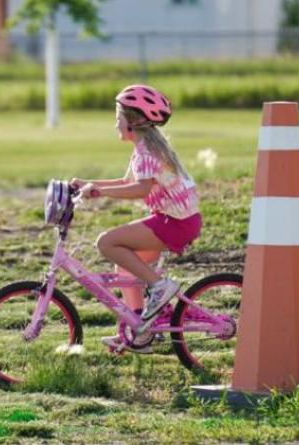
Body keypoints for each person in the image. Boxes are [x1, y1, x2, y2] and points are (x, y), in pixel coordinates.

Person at [72, 85, 201, 353]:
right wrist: (90, 183)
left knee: (107, 243)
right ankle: (140, 332)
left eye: (117, 118)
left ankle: (159, 287)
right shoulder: (146, 148)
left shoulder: (146, 153)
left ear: (132, 121)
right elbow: (126, 181)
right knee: (127, 269)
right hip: (177, 220)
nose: (115, 124)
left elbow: (140, 189)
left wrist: (100, 192)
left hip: (174, 224)